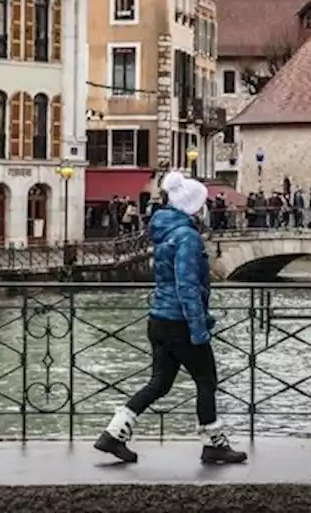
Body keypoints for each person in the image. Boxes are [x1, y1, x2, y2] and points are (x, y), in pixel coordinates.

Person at [95, 171, 246, 466]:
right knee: (206, 380)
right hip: (180, 321)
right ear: (193, 206)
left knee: (159, 384)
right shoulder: (187, 237)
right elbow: (187, 285)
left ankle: (114, 433)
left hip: (159, 318)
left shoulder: (164, 232)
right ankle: (214, 443)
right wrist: (199, 328)